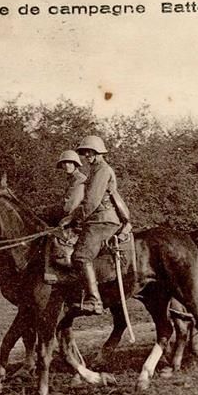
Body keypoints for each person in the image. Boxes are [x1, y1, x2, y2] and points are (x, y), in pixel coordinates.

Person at [59, 135, 129, 315]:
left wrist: (73, 218)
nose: (86, 156)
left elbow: (91, 202)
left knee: (81, 256)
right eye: (84, 153)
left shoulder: (102, 170)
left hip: (102, 220)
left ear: (98, 152)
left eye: (90, 152)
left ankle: (94, 301)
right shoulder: (95, 170)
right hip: (97, 219)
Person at [44, 150, 87, 284]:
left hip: (77, 219)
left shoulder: (79, 180)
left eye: (69, 163)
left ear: (75, 164)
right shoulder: (72, 180)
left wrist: (50, 211)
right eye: (64, 163)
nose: (66, 165)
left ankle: (58, 273)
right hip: (72, 217)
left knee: (52, 236)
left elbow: (70, 206)